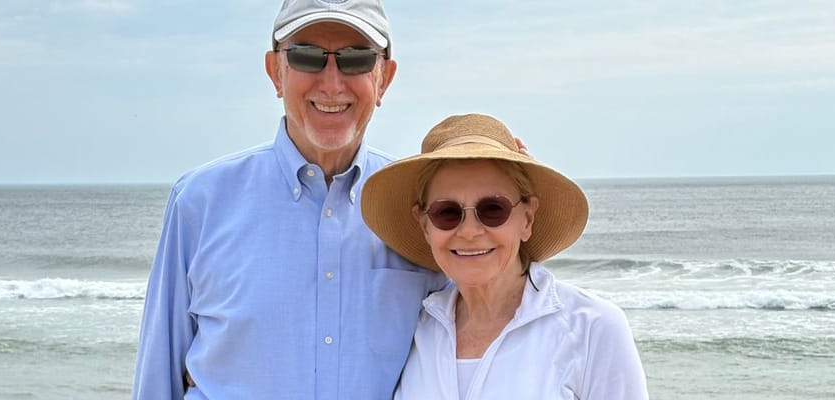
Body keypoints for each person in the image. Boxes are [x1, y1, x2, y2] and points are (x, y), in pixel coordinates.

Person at [131, 1, 448, 398]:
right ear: (275, 71)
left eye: (356, 59)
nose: (331, 83)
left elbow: (493, 320)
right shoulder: (199, 201)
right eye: (307, 56)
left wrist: (513, 186)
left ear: (384, 78)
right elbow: (158, 375)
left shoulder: (422, 208)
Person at [361, 113, 650, 399]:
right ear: (424, 224)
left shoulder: (592, 328)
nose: (470, 231)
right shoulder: (420, 329)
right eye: (447, 213)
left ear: (527, 218)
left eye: (493, 209)